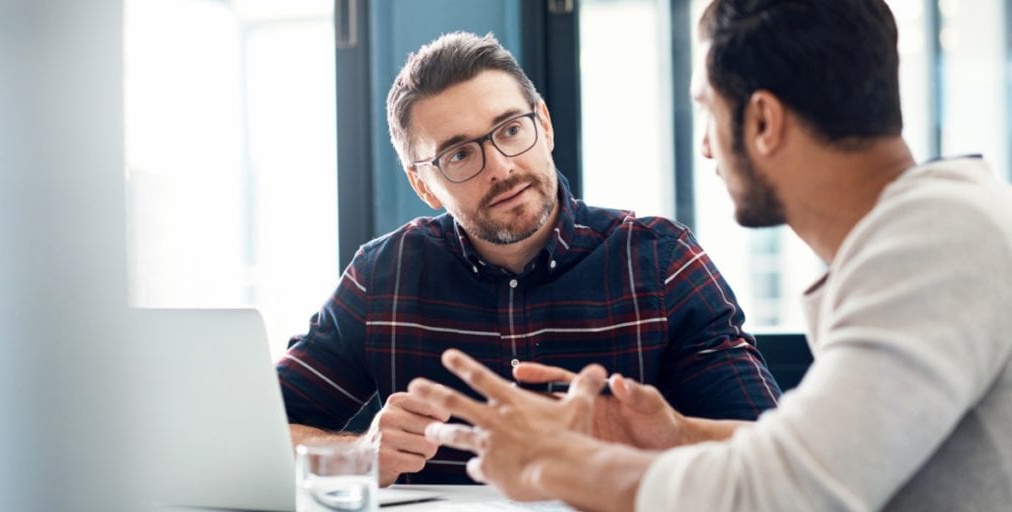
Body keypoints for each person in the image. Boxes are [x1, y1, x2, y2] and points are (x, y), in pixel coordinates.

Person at [408, 0, 1012, 510]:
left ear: (763, 122)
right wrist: (674, 433)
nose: (703, 146)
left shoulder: (936, 243)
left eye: (706, 108)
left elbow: (787, 491)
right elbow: (824, 453)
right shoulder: (932, 232)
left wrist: (556, 465)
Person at [275, 31, 782, 486]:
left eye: (511, 129)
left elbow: (772, 454)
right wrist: (357, 454)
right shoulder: (381, 276)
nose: (500, 166)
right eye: (459, 155)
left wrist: (665, 435)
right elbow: (258, 433)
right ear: (422, 184)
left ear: (544, 123)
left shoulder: (662, 261)